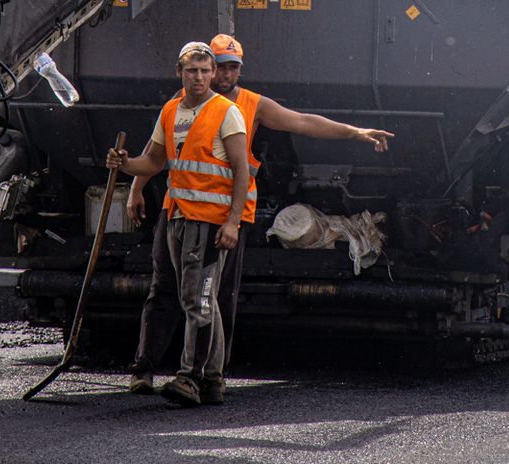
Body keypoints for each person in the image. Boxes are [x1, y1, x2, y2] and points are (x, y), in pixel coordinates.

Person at [126, 34, 394, 393]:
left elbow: (302, 122)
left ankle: (208, 378)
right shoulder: (181, 105)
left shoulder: (249, 106)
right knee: (164, 289)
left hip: (225, 217)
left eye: (231, 67)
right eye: (218, 67)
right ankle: (145, 368)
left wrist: (355, 132)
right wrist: (136, 188)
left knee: (217, 296)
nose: (223, 74)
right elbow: (157, 152)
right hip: (179, 211)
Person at [106, 42, 252, 409]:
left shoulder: (226, 112)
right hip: (176, 218)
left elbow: (242, 171)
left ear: (214, 73)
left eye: (206, 71)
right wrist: (125, 165)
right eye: (193, 70)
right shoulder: (171, 111)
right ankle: (213, 382)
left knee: (198, 299)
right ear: (179, 72)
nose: (200, 77)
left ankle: (191, 377)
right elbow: (153, 162)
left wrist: (233, 221)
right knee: (192, 299)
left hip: (207, 224)